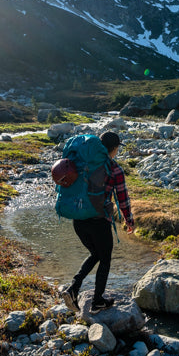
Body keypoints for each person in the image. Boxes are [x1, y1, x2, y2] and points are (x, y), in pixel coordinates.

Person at [61, 131, 135, 313]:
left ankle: (73, 289)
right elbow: (123, 198)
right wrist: (129, 220)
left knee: (96, 253)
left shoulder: (82, 163)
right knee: (105, 259)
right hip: (98, 221)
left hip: (78, 219)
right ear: (115, 148)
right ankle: (97, 301)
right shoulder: (114, 168)